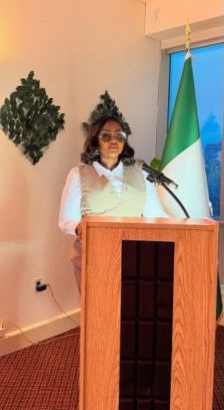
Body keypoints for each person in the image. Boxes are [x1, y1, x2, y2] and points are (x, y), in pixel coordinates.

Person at [58, 114, 170, 289]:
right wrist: (79, 227)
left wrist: (185, 225)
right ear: (95, 140)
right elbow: (66, 221)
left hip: (134, 257)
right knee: (100, 313)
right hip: (93, 257)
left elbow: (156, 215)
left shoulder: (141, 174)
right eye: (106, 135)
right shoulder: (78, 174)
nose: (113, 140)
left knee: (131, 312)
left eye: (119, 135)